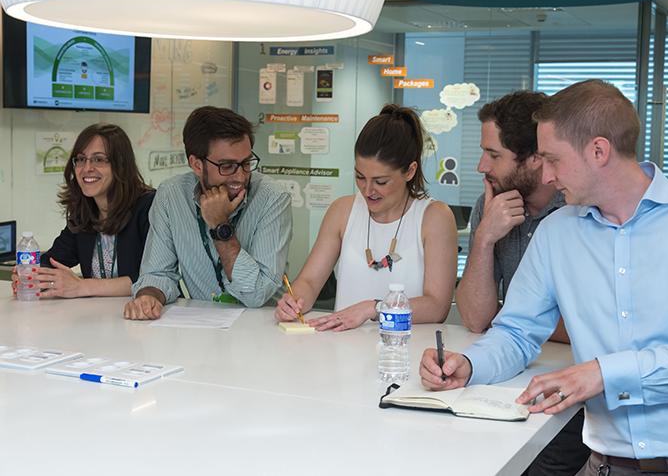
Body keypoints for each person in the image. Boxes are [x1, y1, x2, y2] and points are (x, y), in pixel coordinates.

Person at [420, 79, 668, 475]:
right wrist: (469, 364)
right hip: (604, 465)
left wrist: (603, 373)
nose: (546, 177)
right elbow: (516, 332)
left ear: (598, 150)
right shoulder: (557, 232)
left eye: (553, 160)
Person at [455, 91, 588, 476]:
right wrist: (483, 238)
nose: (482, 166)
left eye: (494, 155)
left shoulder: (577, 209)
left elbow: (592, 326)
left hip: (569, 385)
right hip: (509, 365)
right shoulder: (493, 204)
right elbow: (477, 320)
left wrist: (515, 319)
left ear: (535, 159)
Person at [275, 104, 458, 331]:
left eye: (381, 182)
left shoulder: (434, 217)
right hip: (343, 352)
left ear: (410, 171)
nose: (368, 190)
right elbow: (310, 282)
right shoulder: (342, 210)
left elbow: (438, 306)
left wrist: (375, 308)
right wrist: (294, 302)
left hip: (405, 354)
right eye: (360, 177)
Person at [124, 106, 292, 320]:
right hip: (201, 330)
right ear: (196, 165)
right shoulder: (171, 195)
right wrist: (148, 296)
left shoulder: (273, 198)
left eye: (246, 163)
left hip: (260, 330)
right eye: (227, 166)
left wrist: (220, 226)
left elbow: (256, 294)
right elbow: (158, 274)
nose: (240, 177)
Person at [12, 123, 155, 298]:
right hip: (100, 318)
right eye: (80, 159)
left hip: (151, 316)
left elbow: (155, 278)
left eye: (98, 159)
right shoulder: (84, 212)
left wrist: (82, 286)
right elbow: (54, 259)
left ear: (120, 165)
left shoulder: (149, 207)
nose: (87, 168)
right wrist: (35, 275)